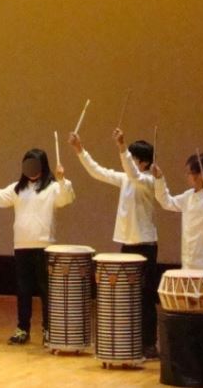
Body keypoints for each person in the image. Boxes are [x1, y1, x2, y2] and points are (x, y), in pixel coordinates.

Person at [68, 128, 159, 358]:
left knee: (146, 296)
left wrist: (121, 146)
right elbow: (98, 171)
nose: (129, 161)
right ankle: (130, 341)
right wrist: (80, 150)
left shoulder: (149, 181)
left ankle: (149, 343)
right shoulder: (126, 179)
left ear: (144, 163)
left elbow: (134, 174)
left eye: (133, 158)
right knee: (127, 296)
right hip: (128, 244)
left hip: (146, 245)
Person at [0, 148, 75, 345]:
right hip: (22, 246)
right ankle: (22, 329)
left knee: (46, 291)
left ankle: (48, 330)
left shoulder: (53, 188)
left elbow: (66, 198)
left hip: (45, 246)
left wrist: (62, 180)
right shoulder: (17, 189)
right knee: (23, 290)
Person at [153, 152, 203, 270]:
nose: (187, 176)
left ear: (199, 175)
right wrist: (159, 178)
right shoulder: (188, 196)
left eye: (189, 173)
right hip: (189, 264)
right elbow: (166, 202)